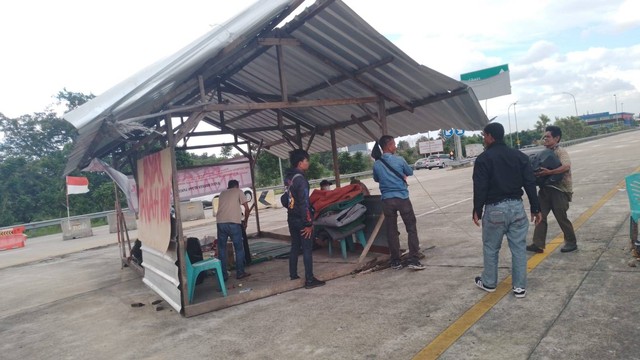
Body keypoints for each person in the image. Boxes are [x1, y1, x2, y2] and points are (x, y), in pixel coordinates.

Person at [472, 123, 542, 298]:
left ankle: (489, 282)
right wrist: (535, 207)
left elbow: (480, 187)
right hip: (517, 207)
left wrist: (477, 210)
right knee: (518, 248)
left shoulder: (483, 159)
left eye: (484, 136)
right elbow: (530, 182)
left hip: (495, 209)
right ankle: (519, 287)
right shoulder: (519, 156)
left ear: (489, 136)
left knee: (490, 247)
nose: (484, 139)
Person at [372, 135, 425, 270]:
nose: (395, 146)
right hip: (402, 198)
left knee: (391, 230)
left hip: (387, 201)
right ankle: (413, 258)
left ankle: (395, 261)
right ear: (389, 146)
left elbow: (377, 179)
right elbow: (409, 172)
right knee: (411, 228)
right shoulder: (399, 160)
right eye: (394, 144)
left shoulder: (377, 164)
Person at [527, 125, 578, 253]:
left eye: (548, 137)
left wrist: (550, 172)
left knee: (561, 217)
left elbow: (566, 166)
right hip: (545, 189)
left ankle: (571, 242)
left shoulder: (561, 152)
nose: (545, 139)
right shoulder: (543, 153)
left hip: (559, 190)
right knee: (540, 216)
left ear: (557, 138)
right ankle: (538, 244)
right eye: (544, 137)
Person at [284, 149, 325, 289]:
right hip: (301, 219)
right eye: (307, 161)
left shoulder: (289, 178)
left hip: (291, 217)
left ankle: (293, 274)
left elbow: (287, 200)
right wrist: (308, 223)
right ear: (300, 163)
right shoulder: (301, 180)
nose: (308, 163)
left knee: (295, 246)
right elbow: (304, 203)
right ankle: (309, 280)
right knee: (307, 248)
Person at [216, 179, 250, 280]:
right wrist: (245, 221)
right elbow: (247, 209)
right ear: (237, 186)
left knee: (221, 250)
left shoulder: (222, 193)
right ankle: (240, 273)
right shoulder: (239, 191)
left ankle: (224, 276)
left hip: (220, 223)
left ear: (228, 186)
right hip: (234, 223)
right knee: (239, 249)